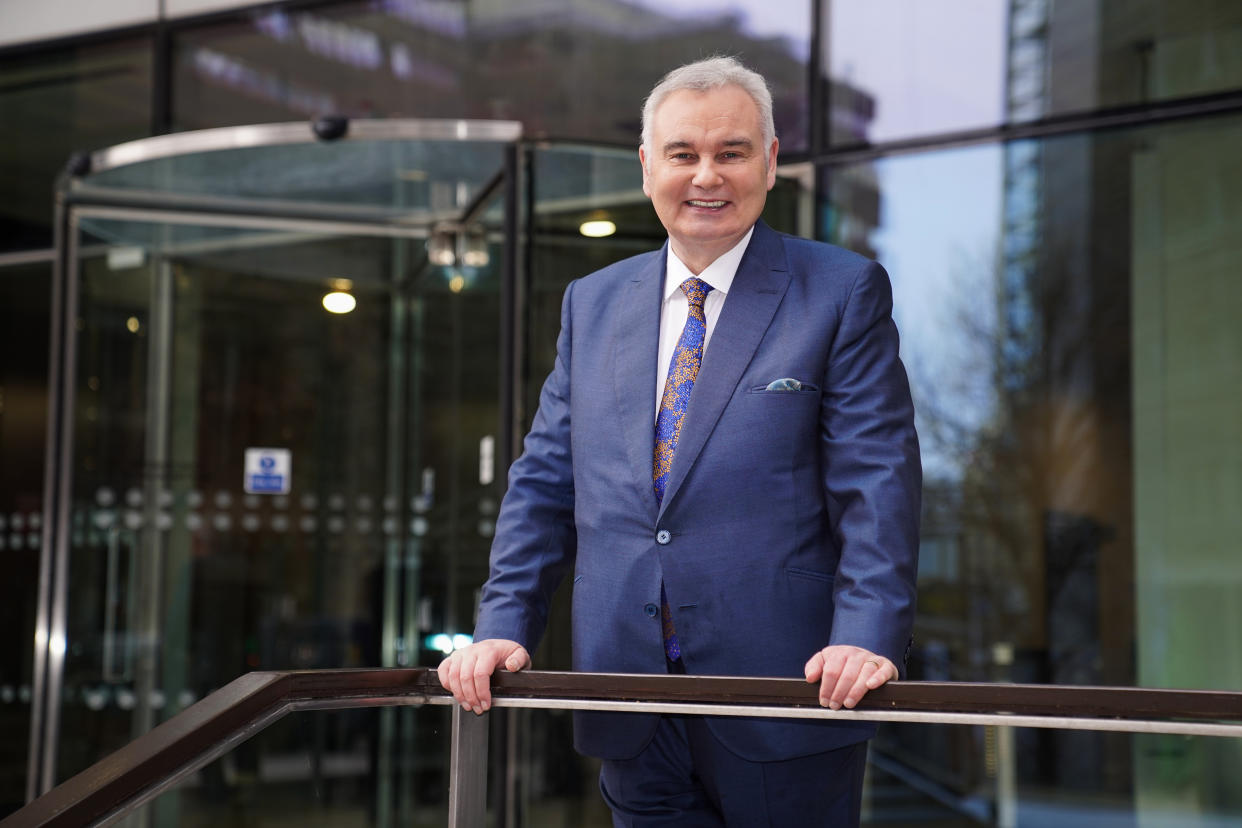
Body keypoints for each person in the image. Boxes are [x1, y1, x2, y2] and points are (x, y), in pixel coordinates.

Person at [438, 56, 921, 826]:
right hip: (627, 696)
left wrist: (866, 636)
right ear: (645, 166)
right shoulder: (590, 304)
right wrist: (502, 624)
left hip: (789, 694)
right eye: (683, 154)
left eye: (731, 152)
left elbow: (877, 483)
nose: (707, 175)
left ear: (769, 163)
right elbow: (544, 484)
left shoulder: (841, 291)